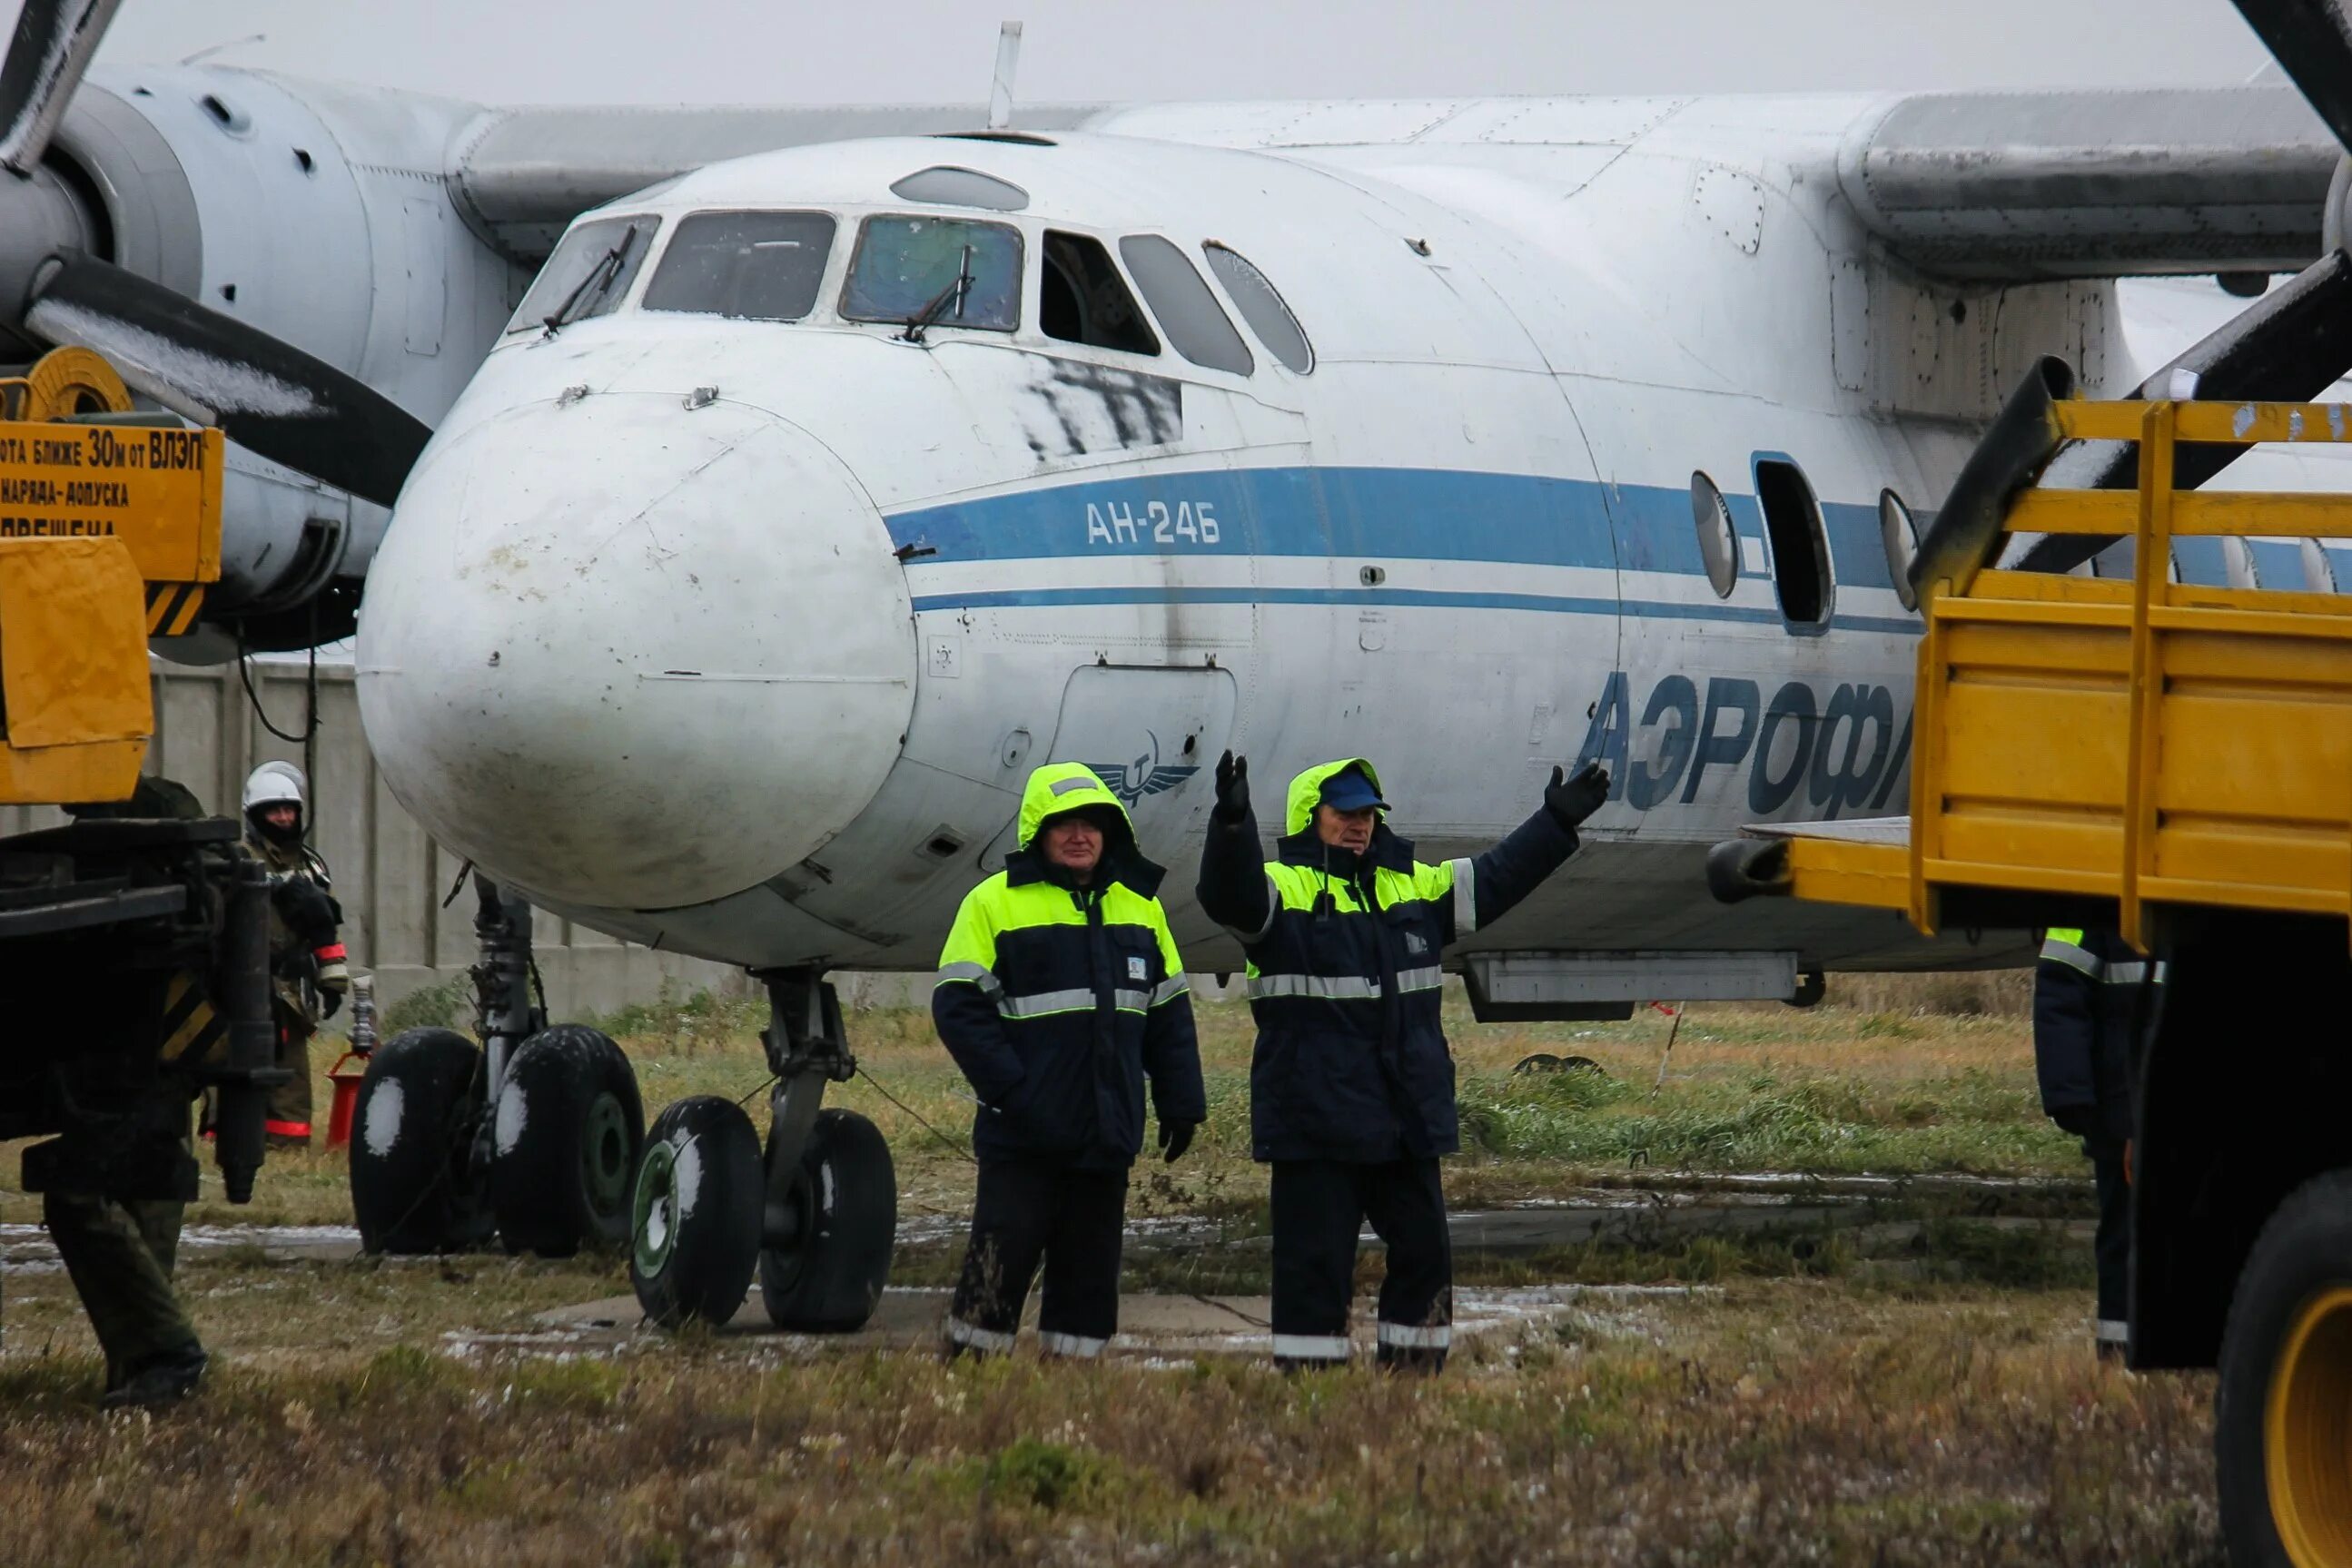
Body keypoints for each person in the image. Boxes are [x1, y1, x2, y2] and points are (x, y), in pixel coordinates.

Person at [1196, 753, 1608, 1372]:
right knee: (1313, 1274)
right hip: (1317, 1128)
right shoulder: (1283, 889)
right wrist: (1231, 824)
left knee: (1424, 1260)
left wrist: (1554, 824)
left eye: (1368, 813)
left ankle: (1411, 1391)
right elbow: (1231, 892)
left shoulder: (1412, 884)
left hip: (1403, 1123)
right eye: (1345, 813)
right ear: (1313, 818)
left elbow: (1493, 879)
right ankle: (1313, 1399)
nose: (1360, 824)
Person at [933, 762, 1207, 1359]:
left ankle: (1072, 1393)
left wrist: (1181, 1102)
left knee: (1088, 1277)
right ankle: (967, 1385)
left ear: (1111, 831)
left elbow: (1168, 1013)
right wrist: (1015, 1092)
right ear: (1038, 831)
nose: (1079, 835)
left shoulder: (1141, 908)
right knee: (998, 1265)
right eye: (1064, 825)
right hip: (1023, 1137)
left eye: (1092, 824)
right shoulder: (992, 904)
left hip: (1105, 1134)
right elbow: (957, 1007)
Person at [44, 775, 214, 1408]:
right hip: (137, 1051)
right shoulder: (121, 834)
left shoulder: (158, 827)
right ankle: (145, 1371)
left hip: (143, 1050)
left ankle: (166, 1356)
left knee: (88, 1191)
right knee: (145, 1190)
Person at [2034, 926, 2162, 1362]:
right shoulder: (2084, 909)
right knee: (2127, 1235)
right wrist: (2077, 1103)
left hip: (2172, 1109)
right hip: (2123, 1111)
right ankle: (2119, 1350)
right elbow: (2059, 1000)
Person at [239, 762, 349, 1149]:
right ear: (256, 815)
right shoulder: (240, 857)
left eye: (289, 810)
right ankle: (240, 1141)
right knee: (241, 1065)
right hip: (247, 981)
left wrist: (332, 977)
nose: (284, 818)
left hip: (290, 984)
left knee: (292, 1072)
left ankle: (286, 1148)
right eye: (274, 810)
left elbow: (325, 925)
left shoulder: (310, 865)